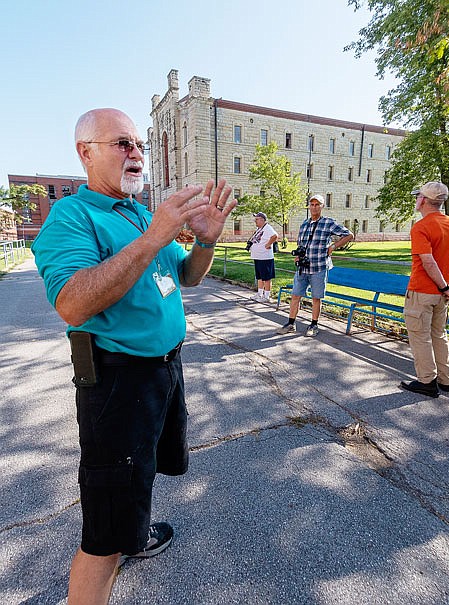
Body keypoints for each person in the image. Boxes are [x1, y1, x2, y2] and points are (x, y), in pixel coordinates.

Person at [32, 108, 237, 605]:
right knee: (103, 528)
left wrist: (205, 240)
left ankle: (136, 534)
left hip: (164, 372)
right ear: (86, 152)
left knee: (138, 475)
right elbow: (73, 303)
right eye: (122, 143)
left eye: (139, 144)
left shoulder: (140, 214)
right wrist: (153, 236)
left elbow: (184, 276)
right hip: (118, 384)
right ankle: (111, 554)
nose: (137, 154)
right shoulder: (72, 217)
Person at [400, 182, 449, 398]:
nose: (416, 200)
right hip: (442, 295)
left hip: (422, 291)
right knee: (439, 334)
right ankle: (445, 379)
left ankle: (427, 382)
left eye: (417, 197)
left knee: (420, 337)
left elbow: (428, 262)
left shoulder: (421, 227)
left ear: (422, 200)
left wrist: (446, 287)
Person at [276, 194, 353, 337]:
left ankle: (314, 325)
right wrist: (299, 255)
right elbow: (301, 244)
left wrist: (333, 246)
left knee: (316, 298)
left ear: (322, 206)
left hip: (319, 267)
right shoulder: (304, 224)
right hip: (303, 267)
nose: (314, 207)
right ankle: (291, 323)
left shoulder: (328, 223)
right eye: (312, 204)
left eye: (317, 204)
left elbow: (349, 235)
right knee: (295, 295)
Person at [248, 211, 278, 302]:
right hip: (258, 257)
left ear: (262, 220)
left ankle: (266, 296)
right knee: (260, 277)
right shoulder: (260, 229)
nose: (255, 221)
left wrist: (268, 244)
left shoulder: (268, 228)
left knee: (266, 277)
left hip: (265, 257)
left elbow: (275, 236)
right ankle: (260, 294)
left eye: (256, 219)